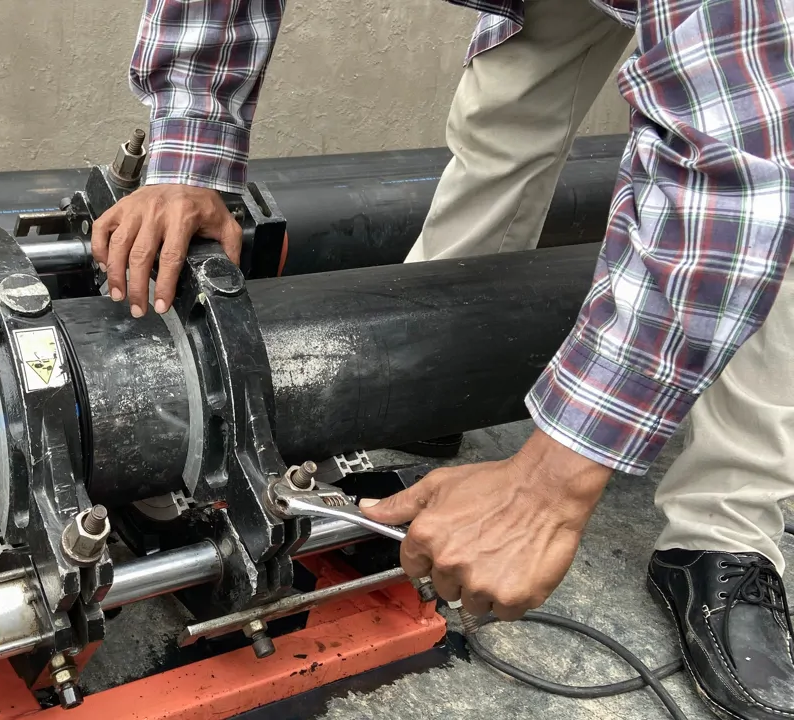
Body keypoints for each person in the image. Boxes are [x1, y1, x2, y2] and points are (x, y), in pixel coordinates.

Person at [91, 1, 794, 717]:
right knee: (505, 114)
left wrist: (550, 486)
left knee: (775, 224)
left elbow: (737, 181)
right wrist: (187, 158)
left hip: (754, 59)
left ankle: (726, 530)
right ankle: (424, 389)